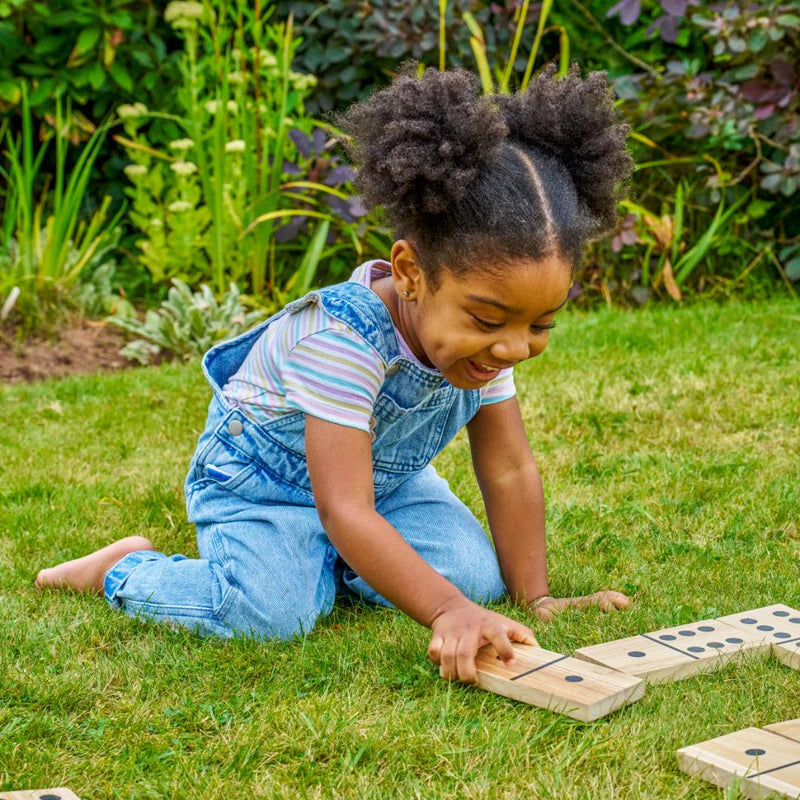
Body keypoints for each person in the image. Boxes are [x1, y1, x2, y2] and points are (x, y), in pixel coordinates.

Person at [36, 63, 634, 683]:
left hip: (383, 484)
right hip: (266, 483)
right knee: (268, 615)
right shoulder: (341, 342)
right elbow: (344, 508)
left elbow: (508, 467)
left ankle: (342, 563)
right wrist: (448, 611)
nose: (513, 347)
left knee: (476, 575)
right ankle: (124, 569)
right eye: (489, 319)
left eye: (540, 325)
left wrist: (532, 597)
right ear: (409, 273)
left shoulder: (479, 348)